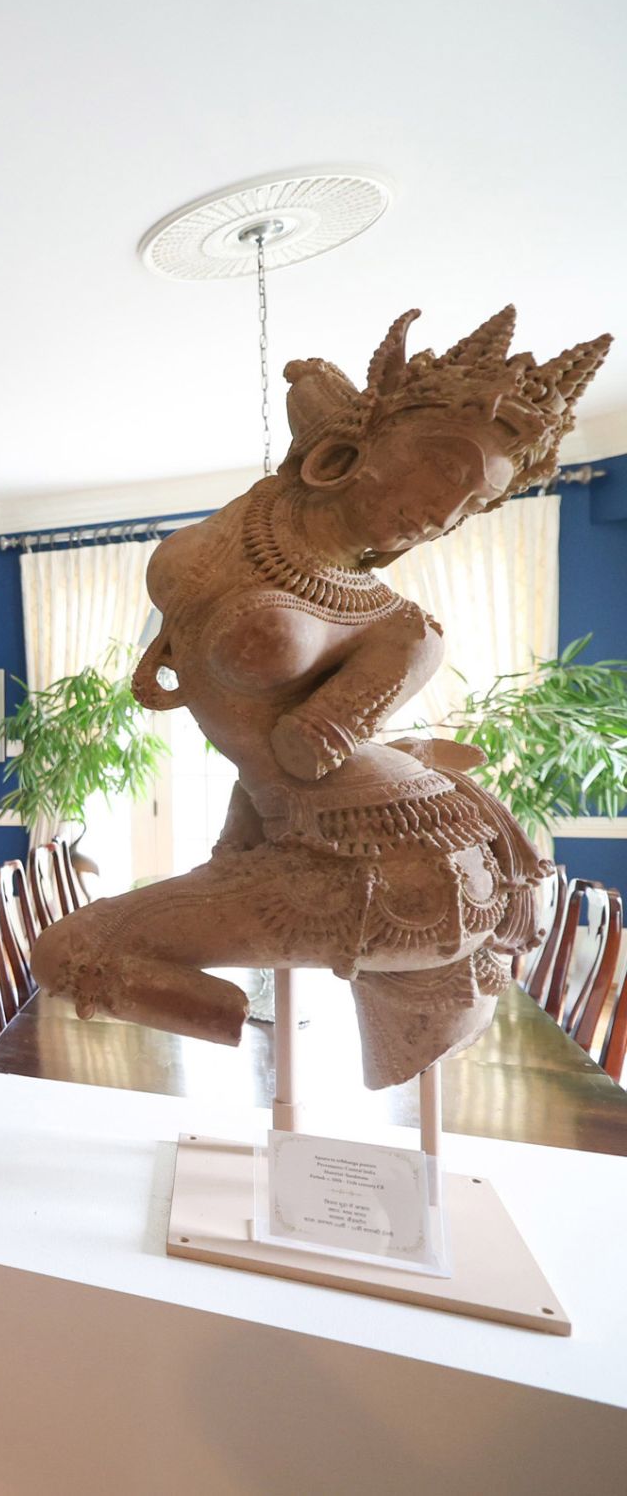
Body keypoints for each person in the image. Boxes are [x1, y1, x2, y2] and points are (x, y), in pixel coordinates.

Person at [32, 306, 610, 1088]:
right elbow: (257, 749)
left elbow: (299, 754)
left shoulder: (404, 631)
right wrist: (236, 846)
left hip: (397, 862)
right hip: (369, 836)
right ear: (354, 447)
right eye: (442, 467)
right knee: (77, 954)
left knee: (73, 953)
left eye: (474, 503)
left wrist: (245, 849)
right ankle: (262, 1059)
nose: (444, 514)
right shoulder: (257, 524)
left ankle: (256, 1058)